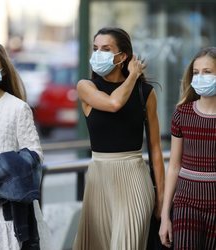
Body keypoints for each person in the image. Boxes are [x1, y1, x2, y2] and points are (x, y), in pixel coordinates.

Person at [73, 27, 165, 250]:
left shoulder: (145, 92)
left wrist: (161, 200)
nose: (98, 54)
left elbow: (155, 149)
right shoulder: (86, 86)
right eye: (95, 49)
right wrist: (133, 75)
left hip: (134, 179)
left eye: (106, 49)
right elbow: (114, 104)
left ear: (123, 56)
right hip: (98, 183)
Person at [0, 42, 51, 250]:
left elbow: (35, 155)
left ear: (3, 70)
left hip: (0, 202)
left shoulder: (17, 108)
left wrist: (1, 164)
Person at [159, 47, 216, 249]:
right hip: (186, 204)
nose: (200, 77)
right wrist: (165, 215)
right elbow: (174, 166)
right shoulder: (182, 114)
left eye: (207, 72)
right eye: (196, 72)